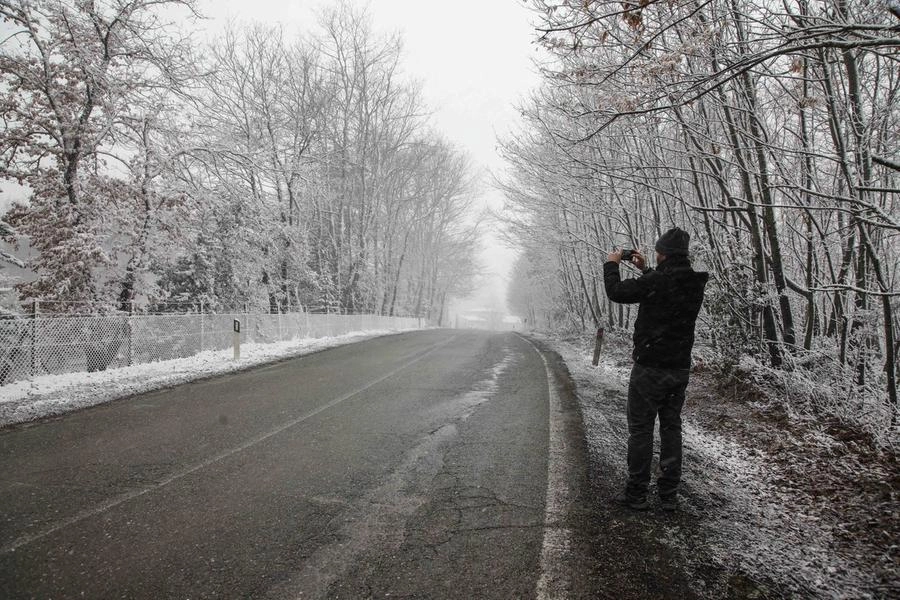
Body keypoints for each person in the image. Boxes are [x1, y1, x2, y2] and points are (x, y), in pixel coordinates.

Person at [603, 227, 709, 511]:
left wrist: (612, 263)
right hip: (679, 369)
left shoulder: (657, 282)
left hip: (650, 368)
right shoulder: (694, 282)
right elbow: (665, 289)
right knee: (671, 427)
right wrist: (647, 268)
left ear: (663, 253)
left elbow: (617, 292)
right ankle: (669, 494)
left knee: (641, 429)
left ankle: (637, 492)